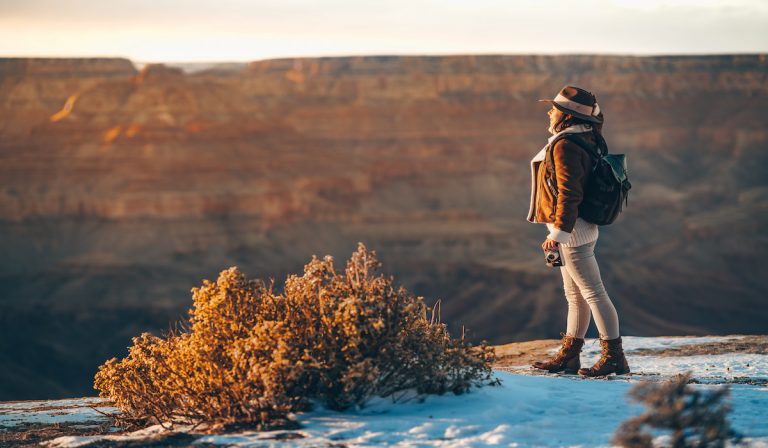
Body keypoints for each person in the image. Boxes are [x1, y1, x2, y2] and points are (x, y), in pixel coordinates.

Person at [526, 86, 630, 377]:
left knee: (594, 293)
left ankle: (614, 358)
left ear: (567, 116)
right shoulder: (586, 137)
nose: (550, 112)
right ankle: (569, 356)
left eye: (555, 108)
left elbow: (569, 194)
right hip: (578, 229)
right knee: (575, 296)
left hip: (573, 233)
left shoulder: (566, 145)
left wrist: (557, 234)